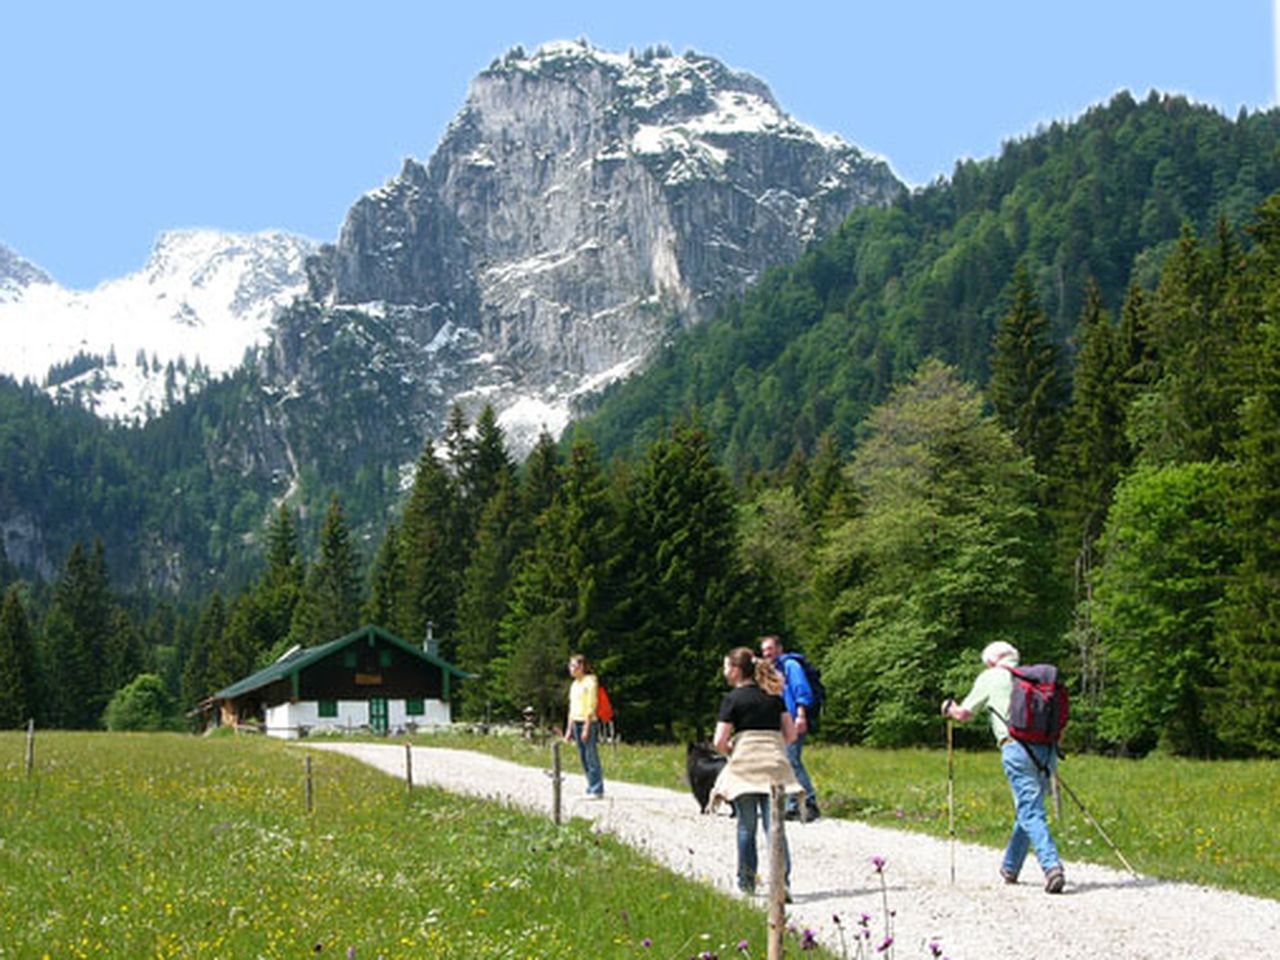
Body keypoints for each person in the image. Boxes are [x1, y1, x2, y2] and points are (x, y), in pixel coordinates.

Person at [942, 640, 1066, 894]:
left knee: (1030, 811)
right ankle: (1010, 867)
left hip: (1016, 748)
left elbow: (965, 714)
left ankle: (1052, 867)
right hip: (1047, 750)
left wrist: (948, 709)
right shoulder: (1032, 679)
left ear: (991, 660)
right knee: (1028, 806)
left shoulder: (991, 676)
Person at [711, 646, 802, 897]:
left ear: (737, 670)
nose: (725, 671)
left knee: (746, 827)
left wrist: (735, 750)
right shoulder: (774, 697)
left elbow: (720, 741)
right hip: (774, 768)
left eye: (727, 666)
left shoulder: (732, 700)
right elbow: (791, 734)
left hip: (746, 769)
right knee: (774, 827)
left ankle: (747, 883)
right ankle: (782, 884)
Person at [760, 635, 819, 820]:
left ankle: (809, 802)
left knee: (792, 760)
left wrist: (801, 716)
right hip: (780, 723)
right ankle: (792, 805)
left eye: (769, 649)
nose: (767, 653)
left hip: (793, 720)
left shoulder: (791, 666)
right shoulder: (774, 669)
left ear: (779, 648)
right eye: (764, 650)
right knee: (784, 762)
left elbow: (802, 691)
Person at [564, 653, 605, 799]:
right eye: (570, 666)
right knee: (583, 756)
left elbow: (591, 705)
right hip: (576, 721)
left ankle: (597, 788)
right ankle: (590, 785)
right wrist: (569, 730)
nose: (571, 669)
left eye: (573, 665)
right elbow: (572, 708)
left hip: (588, 722)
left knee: (591, 755)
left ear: (581, 667)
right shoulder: (574, 685)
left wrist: (587, 727)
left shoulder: (590, 681)